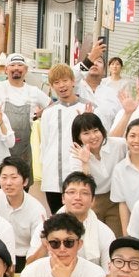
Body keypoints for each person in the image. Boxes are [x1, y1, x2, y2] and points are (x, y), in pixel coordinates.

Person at [19, 213, 101, 277]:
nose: (62, 249)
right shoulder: (31, 272)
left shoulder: (95, 274)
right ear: (47, 245)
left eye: (69, 242)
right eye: (55, 243)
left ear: (79, 244)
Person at [0, 52, 49, 174]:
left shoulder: (33, 91)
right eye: (12, 65)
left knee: (22, 180)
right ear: (6, 70)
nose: (16, 68)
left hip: (23, 151)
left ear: (26, 70)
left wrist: (41, 114)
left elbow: (52, 106)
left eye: (20, 65)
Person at [32, 172, 116, 267]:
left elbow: (109, 272)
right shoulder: (44, 227)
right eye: (72, 192)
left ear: (93, 200)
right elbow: (29, 267)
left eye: (84, 193)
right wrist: (44, 246)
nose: (77, 197)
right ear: (63, 198)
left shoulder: (105, 233)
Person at [35, 64, 87, 210]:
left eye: (65, 81)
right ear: (52, 86)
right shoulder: (48, 112)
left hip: (78, 172)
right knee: (57, 217)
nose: (62, 85)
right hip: (52, 177)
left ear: (73, 81)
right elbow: (45, 143)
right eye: (56, 82)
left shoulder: (87, 107)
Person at [0, 158, 45, 271]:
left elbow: (36, 248)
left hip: (23, 257)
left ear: (25, 182)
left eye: (14, 177)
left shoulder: (37, 210)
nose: (8, 183)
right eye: (4, 177)